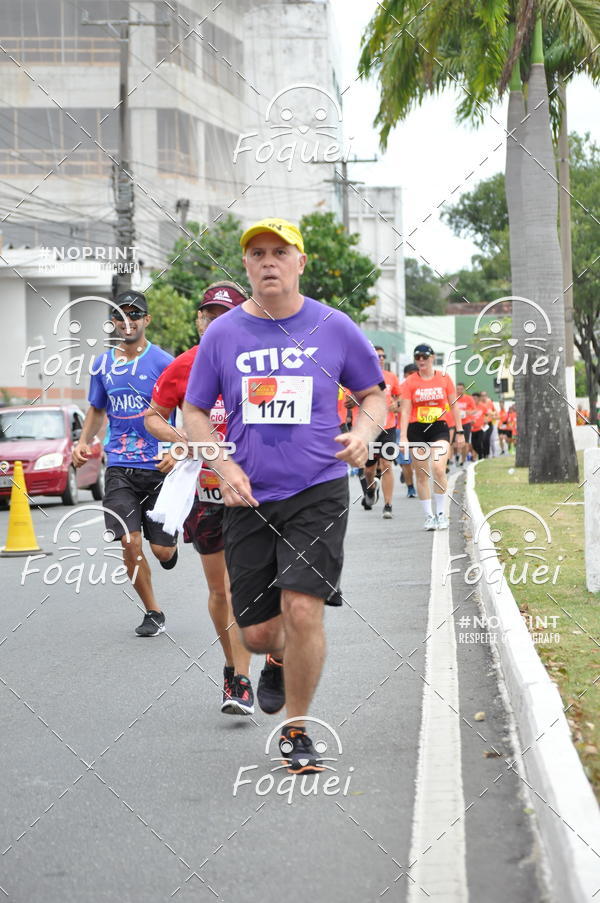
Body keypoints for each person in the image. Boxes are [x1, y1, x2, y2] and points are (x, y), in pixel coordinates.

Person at [182, 217, 387, 773]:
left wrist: (364, 434)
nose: (269, 262)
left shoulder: (334, 326)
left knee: (302, 608)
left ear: (300, 263)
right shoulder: (223, 336)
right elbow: (194, 411)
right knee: (256, 633)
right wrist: (220, 464)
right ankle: (273, 657)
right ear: (246, 266)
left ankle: (297, 730)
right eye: (258, 254)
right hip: (246, 495)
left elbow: (373, 394)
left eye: (280, 252)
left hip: (317, 489)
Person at [144, 282, 254, 716]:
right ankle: (235, 671)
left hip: (249, 490)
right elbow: (153, 416)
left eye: (225, 314)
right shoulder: (184, 366)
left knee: (253, 584)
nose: (215, 320)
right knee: (222, 589)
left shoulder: (258, 364)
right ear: (199, 320)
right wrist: (179, 439)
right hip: (206, 493)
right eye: (209, 313)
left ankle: (253, 672)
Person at [72, 290, 177, 636]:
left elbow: (188, 408)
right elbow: (97, 409)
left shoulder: (164, 362)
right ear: (112, 323)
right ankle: (153, 611)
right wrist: (83, 441)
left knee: (161, 550)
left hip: (159, 466)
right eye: (120, 316)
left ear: (146, 320)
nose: (127, 321)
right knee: (129, 541)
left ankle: (167, 551)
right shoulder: (102, 364)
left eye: (134, 315)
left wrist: (179, 449)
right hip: (119, 465)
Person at [398, 343, 464, 531]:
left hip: (439, 428)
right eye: (417, 357)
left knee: (438, 468)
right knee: (422, 474)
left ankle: (441, 513)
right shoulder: (410, 382)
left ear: (432, 357)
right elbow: (405, 410)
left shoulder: (444, 378)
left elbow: (454, 405)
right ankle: (429, 516)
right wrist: (403, 436)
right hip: (416, 430)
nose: (421, 360)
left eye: (424, 357)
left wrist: (459, 431)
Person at [362, 346, 401, 518]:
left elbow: (400, 397)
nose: (381, 358)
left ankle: (388, 505)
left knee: (386, 465)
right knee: (369, 470)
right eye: (378, 356)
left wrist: (396, 405)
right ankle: (370, 490)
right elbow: (353, 398)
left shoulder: (391, 377)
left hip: (389, 427)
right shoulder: (361, 377)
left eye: (383, 356)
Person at [398, 363, 417, 496]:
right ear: (405, 375)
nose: (413, 376)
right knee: (405, 461)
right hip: (401, 429)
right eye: (410, 373)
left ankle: (408, 473)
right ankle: (411, 487)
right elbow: (395, 407)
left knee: (415, 460)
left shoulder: (421, 388)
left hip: (417, 428)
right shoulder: (399, 389)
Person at [454, 382, 476, 465]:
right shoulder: (453, 398)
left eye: (461, 389)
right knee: (455, 443)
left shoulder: (469, 399)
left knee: (465, 443)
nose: (459, 391)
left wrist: (466, 412)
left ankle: (462, 460)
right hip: (455, 423)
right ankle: (456, 455)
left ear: (464, 390)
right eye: (457, 389)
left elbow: (474, 410)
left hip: (466, 423)